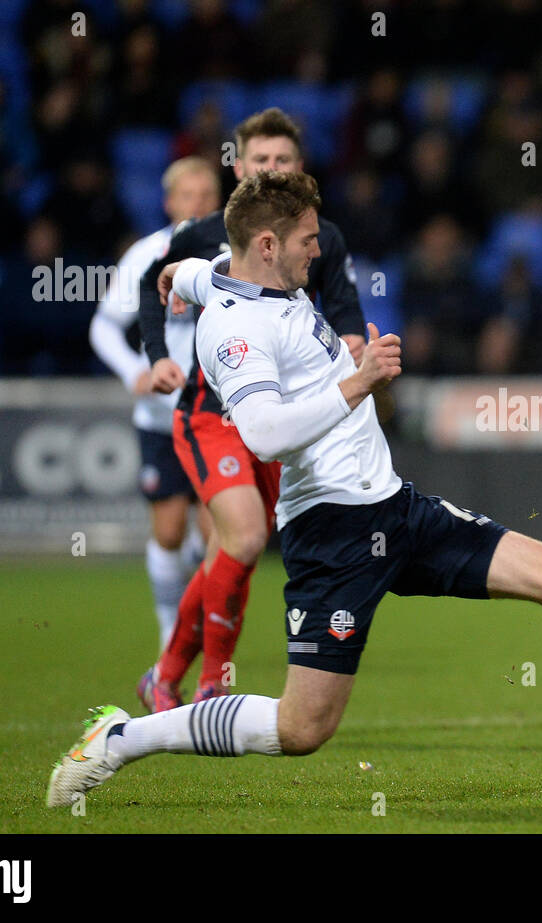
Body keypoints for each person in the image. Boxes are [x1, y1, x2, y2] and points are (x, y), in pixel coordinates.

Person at [45, 171, 542, 807]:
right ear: (270, 244)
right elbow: (264, 436)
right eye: (312, 241)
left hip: (392, 506)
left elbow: (178, 273)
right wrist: (359, 380)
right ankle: (123, 736)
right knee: (302, 725)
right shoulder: (239, 333)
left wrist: (178, 282)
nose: (323, 252)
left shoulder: (222, 273)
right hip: (331, 534)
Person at [136, 107, 365, 711]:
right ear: (239, 166)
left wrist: (352, 350)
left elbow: (344, 316)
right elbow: (157, 279)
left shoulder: (319, 241)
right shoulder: (204, 233)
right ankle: (214, 684)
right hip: (212, 413)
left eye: (283, 161)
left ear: (299, 168)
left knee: (229, 553)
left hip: (277, 425)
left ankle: (164, 675)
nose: (271, 169)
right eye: (261, 160)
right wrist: (158, 354)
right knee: (243, 539)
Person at [88, 156, 219, 649]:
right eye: (188, 196)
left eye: (207, 195)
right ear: (169, 202)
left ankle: (205, 633)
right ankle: (171, 626)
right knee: (167, 531)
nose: (198, 205)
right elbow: (103, 326)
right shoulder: (148, 254)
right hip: (161, 418)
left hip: (214, 414)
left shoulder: (232, 256)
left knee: (217, 536)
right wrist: (134, 371)